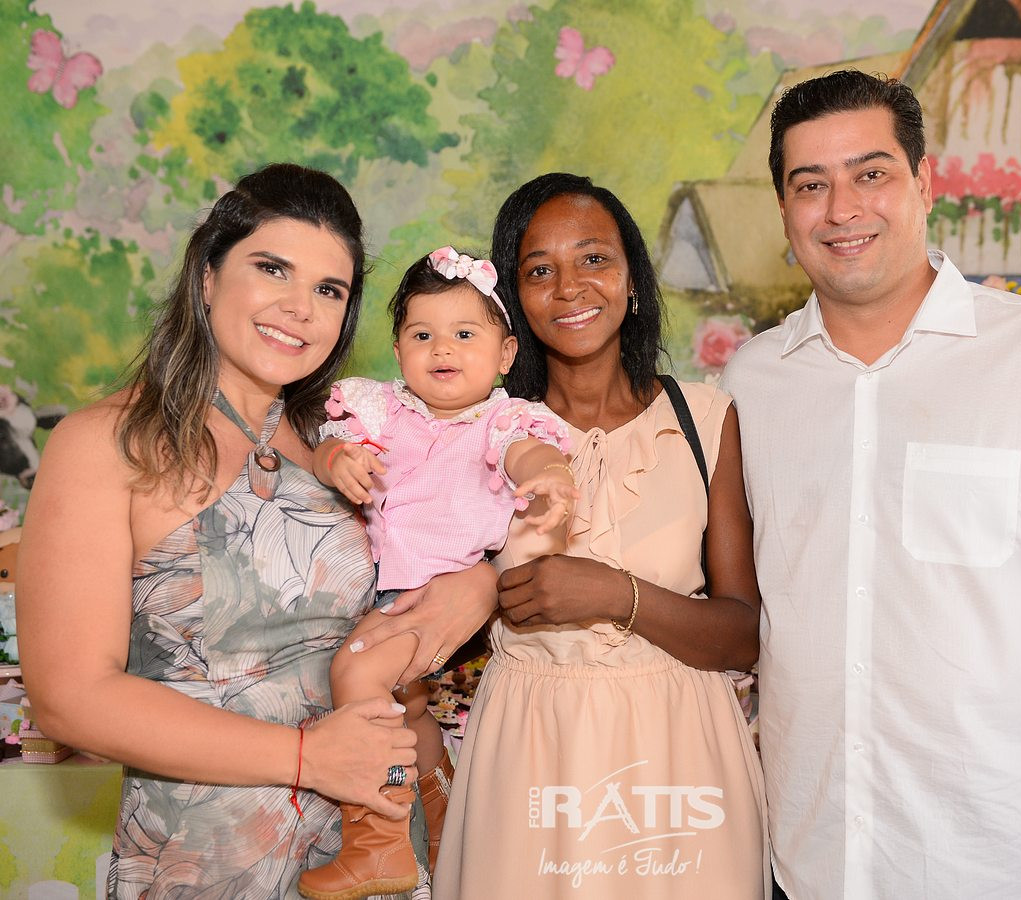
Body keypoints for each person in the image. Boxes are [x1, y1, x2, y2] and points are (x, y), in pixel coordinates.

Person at [720, 70, 1021, 899]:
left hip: (1001, 866)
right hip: (804, 864)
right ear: (783, 209)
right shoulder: (751, 380)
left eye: (870, 173)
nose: (841, 208)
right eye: (811, 184)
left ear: (924, 181)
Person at [17, 163, 454, 899]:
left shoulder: (346, 445)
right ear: (208, 276)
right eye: (272, 268)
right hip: (207, 855)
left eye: (329, 290)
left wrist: (470, 593)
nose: (299, 308)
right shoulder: (107, 443)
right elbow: (70, 695)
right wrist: (307, 756)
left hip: (373, 849)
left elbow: (432, 582)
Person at [432, 173, 769, 899]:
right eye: (539, 271)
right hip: (529, 749)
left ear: (632, 280)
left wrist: (616, 594)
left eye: (594, 259)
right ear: (512, 301)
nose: (569, 288)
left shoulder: (707, 420)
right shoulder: (475, 432)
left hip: (681, 756)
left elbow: (743, 633)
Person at [297, 246, 577, 898]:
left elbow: (526, 453)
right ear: (398, 350)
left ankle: (378, 838)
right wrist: (335, 460)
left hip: (443, 595)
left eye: (464, 334)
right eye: (422, 335)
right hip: (386, 588)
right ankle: (437, 806)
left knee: (357, 675)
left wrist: (549, 474)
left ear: (505, 354)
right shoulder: (382, 410)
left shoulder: (500, 420)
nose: (442, 348)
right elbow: (327, 445)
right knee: (409, 709)